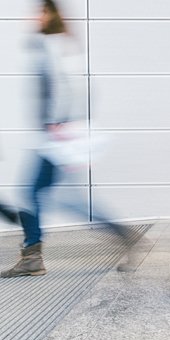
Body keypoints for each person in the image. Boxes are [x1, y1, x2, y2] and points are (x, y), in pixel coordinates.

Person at [1, 0, 132, 278]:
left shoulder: (55, 44)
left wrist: (58, 124)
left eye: (40, 12)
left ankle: (33, 256)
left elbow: (69, 86)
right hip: (50, 136)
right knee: (54, 196)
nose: (35, 17)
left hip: (54, 137)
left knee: (34, 193)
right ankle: (121, 235)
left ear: (51, 15)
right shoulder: (52, 43)